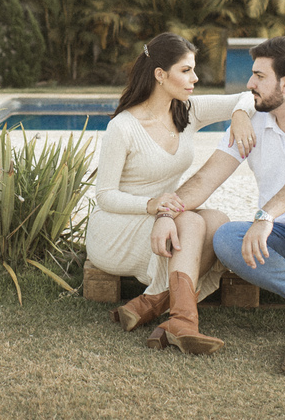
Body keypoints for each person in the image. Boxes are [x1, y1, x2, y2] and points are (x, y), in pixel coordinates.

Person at [150, 36, 285, 374]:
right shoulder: (253, 121)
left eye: (259, 76)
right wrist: (167, 213)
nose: (250, 84)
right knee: (226, 238)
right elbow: (207, 179)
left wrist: (266, 215)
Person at [86, 32, 255, 354]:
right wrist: (153, 206)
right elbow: (104, 195)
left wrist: (239, 115)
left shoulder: (187, 111)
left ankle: (149, 304)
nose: (195, 78)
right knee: (191, 223)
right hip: (117, 225)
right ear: (160, 75)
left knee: (218, 220)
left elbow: (247, 97)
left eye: (193, 70)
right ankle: (183, 320)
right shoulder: (122, 127)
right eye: (186, 70)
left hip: (166, 216)